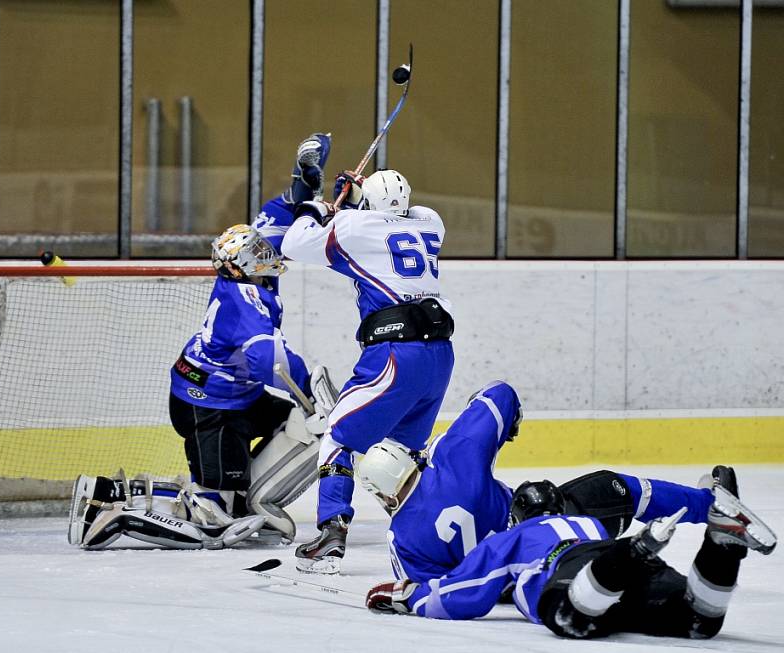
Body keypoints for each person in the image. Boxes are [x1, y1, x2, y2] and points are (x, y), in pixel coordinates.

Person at [68, 134, 338, 550]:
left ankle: (247, 498)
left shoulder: (246, 271)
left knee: (293, 425)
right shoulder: (246, 298)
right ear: (250, 264)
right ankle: (110, 508)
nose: (272, 253)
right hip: (209, 406)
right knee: (213, 519)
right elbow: (269, 357)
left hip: (232, 397)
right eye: (263, 253)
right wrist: (309, 389)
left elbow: (276, 217)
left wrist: (306, 183)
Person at [357, 380, 722, 583]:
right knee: (618, 489)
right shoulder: (450, 457)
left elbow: (418, 589)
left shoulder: (400, 537)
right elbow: (499, 395)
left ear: (382, 493)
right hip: (551, 530)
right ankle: (711, 505)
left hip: (516, 583)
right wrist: (495, 421)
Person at [365, 468, 777, 642]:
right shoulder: (589, 521)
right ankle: (721, 545)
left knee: (570, 615)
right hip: (606, 554)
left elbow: (463, 592)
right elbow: (634, 491)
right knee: (699, 619)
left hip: (584, 569)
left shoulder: (513, 537)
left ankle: (635, 551)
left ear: (518, 515)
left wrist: (412, 597)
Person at [280, 169, 455, 573]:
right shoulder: (431, 220)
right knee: (402, 453)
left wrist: (318, 207)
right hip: (439, 355)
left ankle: (331, 531)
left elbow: (295, 240)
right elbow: (388, 220)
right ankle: (430, 536)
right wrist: (356, 197)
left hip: (394, 352)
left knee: (338, 437)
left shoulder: (355, 225)